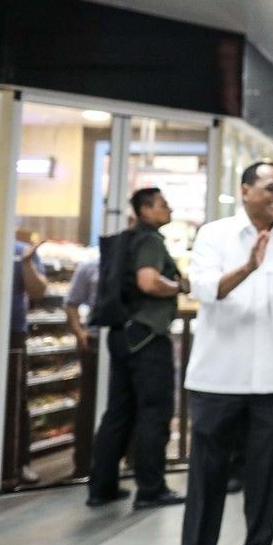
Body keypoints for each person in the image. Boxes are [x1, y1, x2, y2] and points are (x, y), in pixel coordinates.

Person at [175, 162, 273, 545]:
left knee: (266, 479)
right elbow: (205, 290)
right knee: (208, 478)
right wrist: (250, 267)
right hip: (219, 377)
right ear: (245, 190)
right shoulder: (215, 235)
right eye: (272, 188)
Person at [87, 188, 187, 510]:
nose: (168, 209)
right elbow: (148, 282)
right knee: (154, 412)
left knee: (119, 411)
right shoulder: (150, 241)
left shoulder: (128, 239)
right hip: (146, 337)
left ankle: (101, 487)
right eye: (162, 205)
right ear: (145, 210)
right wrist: (179, 286)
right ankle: (151, 488)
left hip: (122, 334)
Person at [7, 239, 47, 486]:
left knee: (15, 399)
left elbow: (38, 292)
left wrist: (25, 263)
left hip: (12, 334)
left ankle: (17, 464)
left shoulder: (21, 250)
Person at [65, 257, 100, 478]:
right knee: (88, 403)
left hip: (128, 344)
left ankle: (128, 460)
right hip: (94, 343)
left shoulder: (137, 261)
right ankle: (83, 464)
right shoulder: (89, 265)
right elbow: (71, 303)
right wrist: (79, 332)